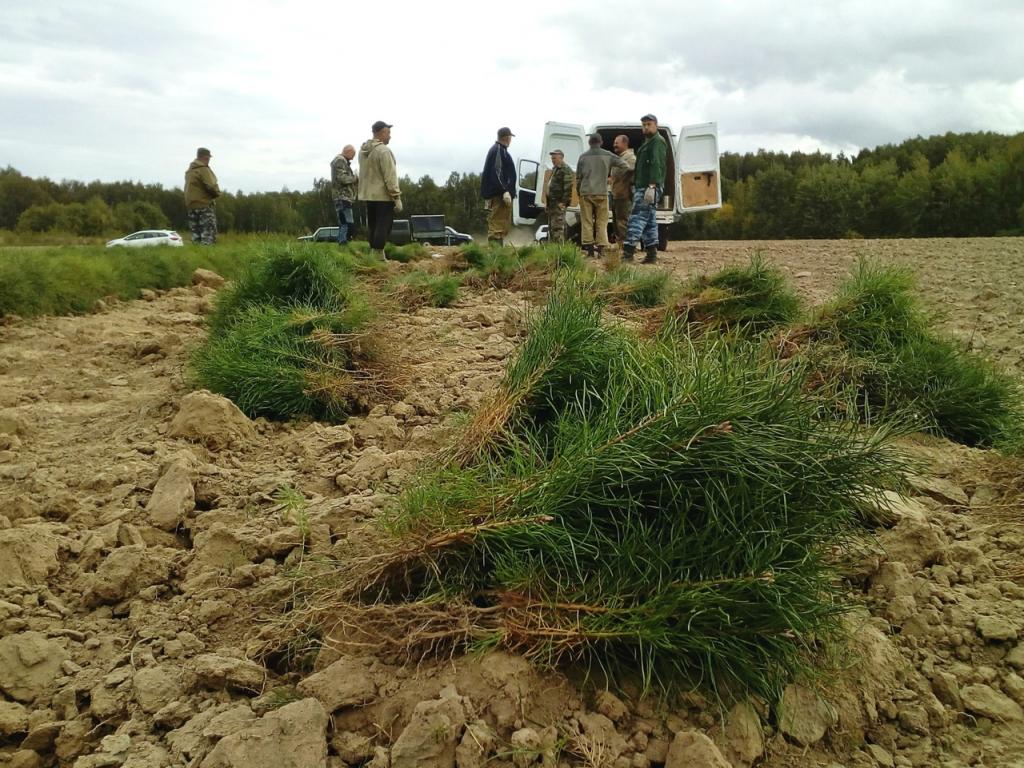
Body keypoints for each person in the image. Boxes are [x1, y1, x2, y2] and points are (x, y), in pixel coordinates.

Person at [623, 114, 667, 264]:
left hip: (649, 187)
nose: (646, 127)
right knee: (649, 222)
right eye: (644, 125)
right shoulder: (649, 142)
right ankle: (651, 255)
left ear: (656, 125)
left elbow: (656, 164)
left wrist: (652, 185)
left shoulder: (657, 142)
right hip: (645, 186)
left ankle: (627, 253)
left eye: (649, 124)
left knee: (637, 218)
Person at [575, 133, 627, 257]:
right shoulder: (608, 155)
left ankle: (589, 250)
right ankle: (602, 248)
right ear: (601, 142)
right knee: (602, 221)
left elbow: (578, 177)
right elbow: (624, 166)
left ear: (589, 143)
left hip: (586, 192)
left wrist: (579, 192)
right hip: (602, 193)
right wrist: (612, 176)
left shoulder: (583, 157)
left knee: (587, 221)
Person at [357, 121, 402, 255]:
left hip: (368, 195)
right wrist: (396, 197)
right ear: (382, 133)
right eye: (388, 133)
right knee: (383, 225)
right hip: (383, 196)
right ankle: (378, 256)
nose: (390, 136)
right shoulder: (384, 151)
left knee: (373, 225)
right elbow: (390, 176)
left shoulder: (362, 151)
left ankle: (373, 254)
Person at [480, 127, 517, 246]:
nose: (511, 140)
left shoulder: (500, 150)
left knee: (500, 225)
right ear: (506, 138)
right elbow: (497, 172)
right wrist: (505, 190)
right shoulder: (498, 150)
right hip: (499, 195)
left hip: (499, 194)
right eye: (510, 137)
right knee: (497, 225)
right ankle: (495, 254)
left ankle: (497, 252)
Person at [184, 147, 221, 245]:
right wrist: (217, 193)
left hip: (191, 206)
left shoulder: (189, 171)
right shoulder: (203, 169)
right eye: (208, 158)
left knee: (195, 238)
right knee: (208, 237)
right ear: (205, 157)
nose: (209, 160)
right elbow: (212, 185)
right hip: (204, 206)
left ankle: (196, 258)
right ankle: (208, 258)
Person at [609, 134, 636, 246]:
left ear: (625, 144)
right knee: (617, 222)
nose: (614, 145)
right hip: (617, 194)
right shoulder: (619, 158)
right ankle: (621, 244)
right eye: (614, 142)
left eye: (617, 143)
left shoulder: (630, 157)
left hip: (624, 194)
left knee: (623, 221)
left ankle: (627, 246)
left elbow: (631, 170)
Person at [330, 144, 358, 245]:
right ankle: (343, 243)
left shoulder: (339, 160)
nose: (353, 157)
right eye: (353, 154)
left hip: (341, 197)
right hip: (343, 197)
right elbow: (342, 178)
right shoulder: (340, 160)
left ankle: (343, 243)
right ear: (348, 151)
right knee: (347, 222)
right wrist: (356, 178)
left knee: (344, 222)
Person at [545, 149, 574, 244]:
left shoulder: (565, 169)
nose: (553, 160)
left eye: (554, 158)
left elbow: (568, 187)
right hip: (552, 204)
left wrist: (564, 203)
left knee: (558, 228)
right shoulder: (555, 169)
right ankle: (552, 250)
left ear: (561, 157)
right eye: (552, 158)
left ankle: (559, 251)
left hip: (559, 204)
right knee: (552, 228)